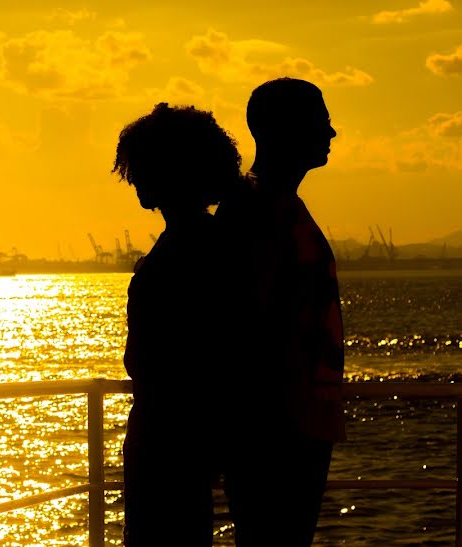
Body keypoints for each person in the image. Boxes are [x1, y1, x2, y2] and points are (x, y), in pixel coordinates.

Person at [216, 77, 344, 546]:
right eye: (321, 121)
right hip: (278, 430)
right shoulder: (259, 210)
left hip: (295, 422)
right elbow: (251, 321)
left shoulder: (274, 205)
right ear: (286, 129)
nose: (331, 133)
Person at [112, 103, 242, 546]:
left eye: (140, 169)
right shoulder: (215, 245)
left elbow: (160, 357)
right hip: (186, 437)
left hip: (168, 438)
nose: (134, 180)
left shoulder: (185, 253)